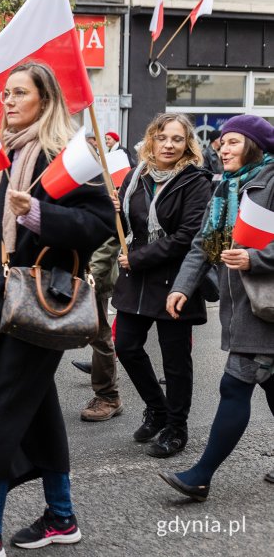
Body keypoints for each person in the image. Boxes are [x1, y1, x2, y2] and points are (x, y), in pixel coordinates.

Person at [0, 62, 115, 557]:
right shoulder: (7, 156)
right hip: (1, 304)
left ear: (45, 100)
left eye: (19, 94)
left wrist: (35, 213)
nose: (7, 101)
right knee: (36, 414)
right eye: (5, 94)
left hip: (37, 305)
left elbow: (101, 223)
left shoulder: (61, 156)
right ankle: (62, 516)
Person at [160, 114, 274, 501]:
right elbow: (201, 245)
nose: (222, 148)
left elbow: (258, 249)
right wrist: (182, 287)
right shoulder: (223, 187)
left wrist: (256, 259)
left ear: (254, 146)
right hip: (241, 304)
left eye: (233, 142)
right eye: (221, 142)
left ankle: (200, 476)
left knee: (234, 384)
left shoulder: (271, 182)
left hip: (264, 308)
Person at [112, 112, 212, 458]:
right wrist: (113, 212)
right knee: (125, 347)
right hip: (135, 280)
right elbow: (125, 228)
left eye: (177, 139)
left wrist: (139, 258)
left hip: (174, 280)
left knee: (175, 360)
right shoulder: (134, 177)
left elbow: (189, 236)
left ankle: (176, 427)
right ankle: (157, 409)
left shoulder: (196, 181)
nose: (169, 144)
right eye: (162, 137)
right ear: (151, 139)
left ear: (188, 145)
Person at [76, 235, 125, 422]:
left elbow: (109, 240)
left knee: (99, 335)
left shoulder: (106, 204)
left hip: (90, 277)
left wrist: (90, 279)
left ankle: (108, 397)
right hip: (64, 274)